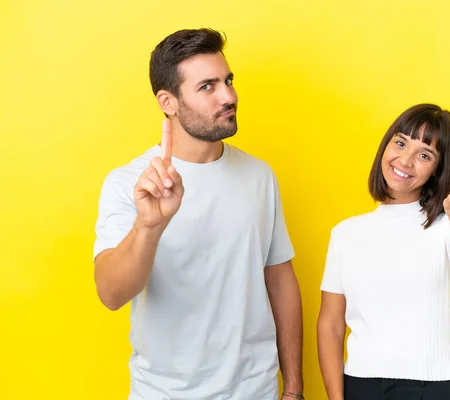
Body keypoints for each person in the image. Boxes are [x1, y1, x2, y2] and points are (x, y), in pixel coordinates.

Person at [93, 28, 304, 400]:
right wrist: (149, 225)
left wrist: (294, 389)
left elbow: (281, 283)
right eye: (207, 86)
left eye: (228, 80)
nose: (229, 96)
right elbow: (111, 294)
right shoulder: (129, 182)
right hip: (163, 392)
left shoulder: (259, 176)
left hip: (256, 390)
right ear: (168, 102)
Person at [317, 103, 450, 400]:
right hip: (361, 385)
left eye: (424, 155)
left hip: (432, 387)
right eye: (400, 143)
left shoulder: (449, 223)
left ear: (438, 170)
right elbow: (330, 324)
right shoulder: (345, 233)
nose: (405, 161)